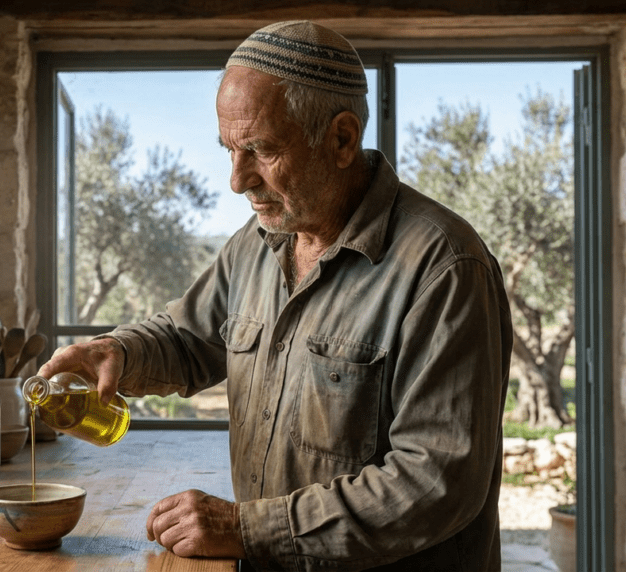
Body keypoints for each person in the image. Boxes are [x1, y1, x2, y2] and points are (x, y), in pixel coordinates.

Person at [37, 20, 513, 571]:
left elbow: (435, 483)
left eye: (261, 150)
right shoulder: (258, 243)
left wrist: (247, 527)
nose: (237, 181)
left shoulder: (445, 268)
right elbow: (189, 337)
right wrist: (116, 350)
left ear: (341, 138)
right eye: (229, 150)